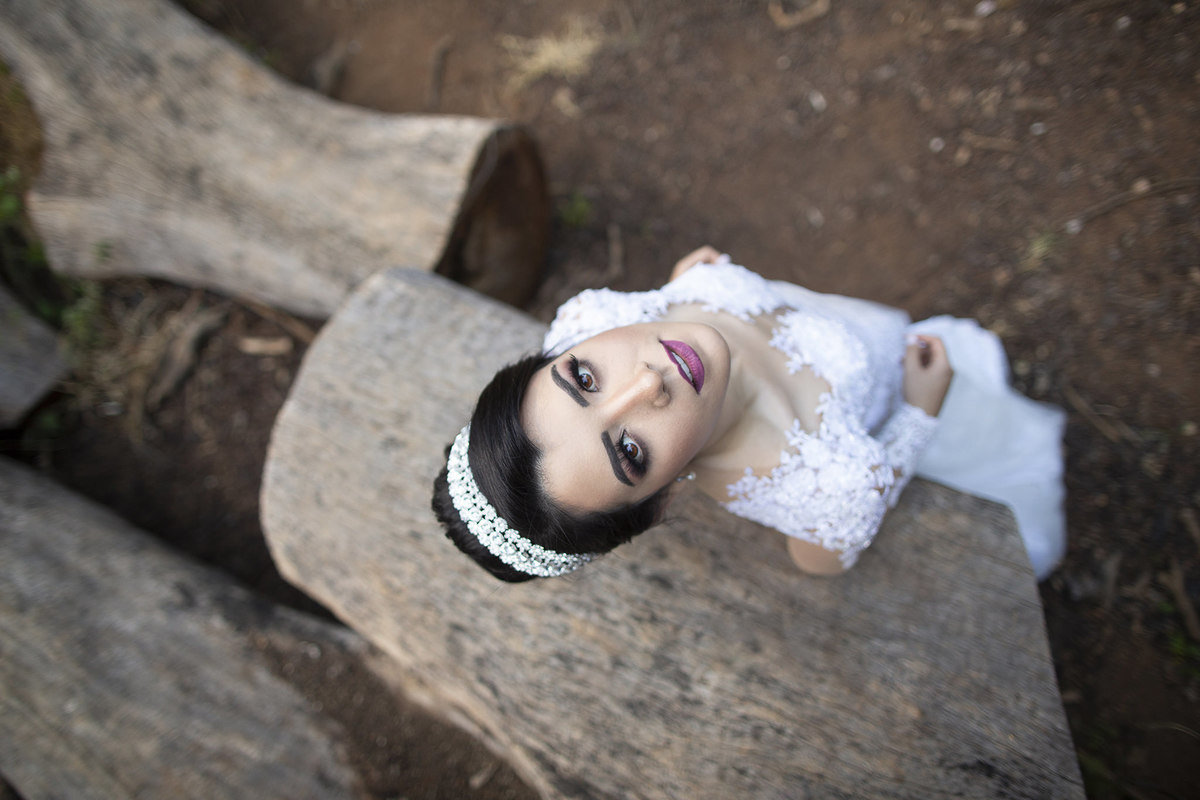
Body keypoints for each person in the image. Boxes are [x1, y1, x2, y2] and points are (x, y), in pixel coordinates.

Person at [432, 247, 1066, 582]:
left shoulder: (588, 321)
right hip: (901, 388)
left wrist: (683, 286)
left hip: (851, 326)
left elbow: (654, 305)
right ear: (659, 503)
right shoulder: (823, 484)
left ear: (555, 355)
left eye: (584, 377)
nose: (647, 381)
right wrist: (919, 413)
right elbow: (821, 560)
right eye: (629, 451)